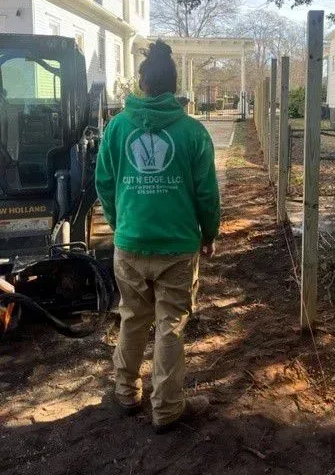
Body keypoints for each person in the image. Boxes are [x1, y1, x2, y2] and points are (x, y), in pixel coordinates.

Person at [96, 40, 220, 432]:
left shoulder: (117, 128)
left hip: (130, 244)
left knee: (132, 318)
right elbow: (206, 192)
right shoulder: (192, 132)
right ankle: (166, 409)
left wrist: (120, 226)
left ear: (141, 83)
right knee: (170, 326)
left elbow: (104, 183)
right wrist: (209, 232)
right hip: (178, 250)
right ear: (173, 85)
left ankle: (124, 393)